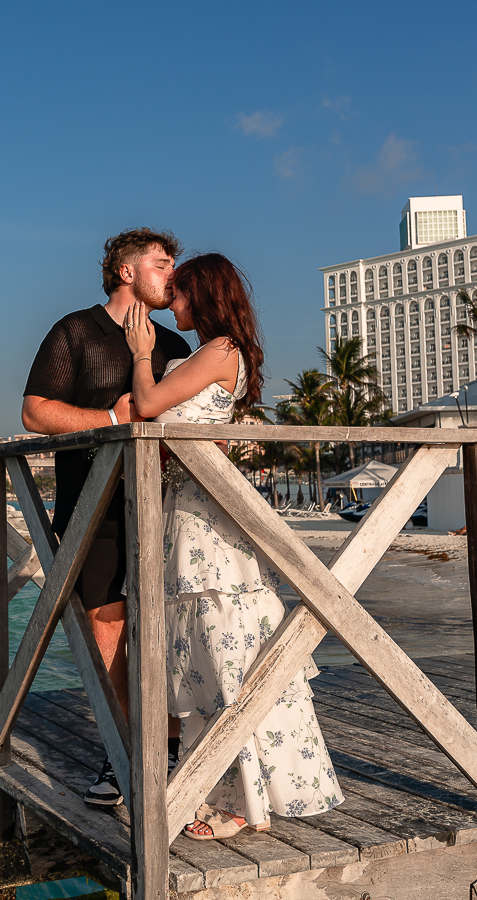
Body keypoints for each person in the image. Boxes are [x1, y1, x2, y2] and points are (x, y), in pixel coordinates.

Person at [124, 252, 343, 839]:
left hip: (203, 518)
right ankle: (216, 788)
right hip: (188, 512)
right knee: (205, 650)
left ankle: (247, 801)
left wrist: (142, 355)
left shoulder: (219, 352)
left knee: (224, 648)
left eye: (182, 292)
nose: (173, 301)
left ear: (206, 296)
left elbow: (146, 407)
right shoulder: (214, 353)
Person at [22, 228, 192, 807]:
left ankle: (168, 748)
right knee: (108, 632)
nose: (174, 273)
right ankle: (122, 753)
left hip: (166, 507)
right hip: (93, 508)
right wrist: (107, 421)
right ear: (126, 271)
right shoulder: (74, 330)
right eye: (163, 263)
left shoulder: (175, 347)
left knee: (167, 630)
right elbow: (35, 412)